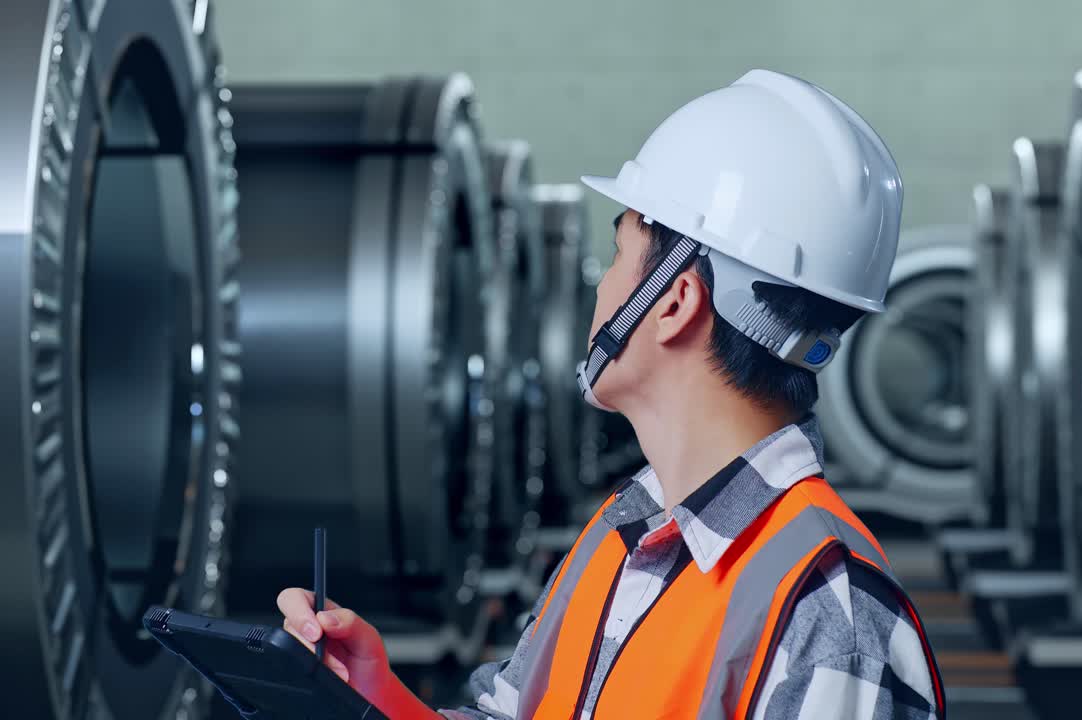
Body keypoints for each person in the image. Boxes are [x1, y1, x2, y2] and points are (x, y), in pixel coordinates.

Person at [277, 69, 945, 720]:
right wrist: (373, 696)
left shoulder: (827, 610)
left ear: (676, 301)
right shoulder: (626, 533)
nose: (601, 288)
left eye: (621, 252)